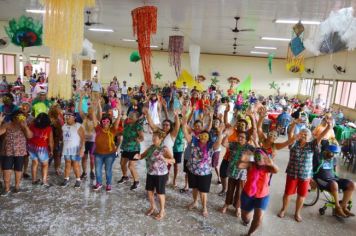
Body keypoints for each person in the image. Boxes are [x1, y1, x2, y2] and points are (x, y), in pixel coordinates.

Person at [278, 118, 333, 222]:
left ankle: (297, 213)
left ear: (309, 138)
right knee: (287, 193)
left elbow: (320, 137)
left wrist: (328, 127)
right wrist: (294, 124)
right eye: (302, 133)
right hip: (292, 173)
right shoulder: (293, 143)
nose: (303, 135)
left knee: (301, 195)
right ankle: (283, 209)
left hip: (305, 175)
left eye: (306, 134)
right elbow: (290, 133)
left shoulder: (312, 145)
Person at [182, 118, 224, 217]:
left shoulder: (211, 146)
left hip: (205, 173)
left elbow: (218, 143)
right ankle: (195, 202)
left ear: (208, 138)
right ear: (199, 136)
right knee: (194, 189)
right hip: (192, 170)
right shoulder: (194, 141)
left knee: (203, 192)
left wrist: (220, 132)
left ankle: (204, 207)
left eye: (206, 136)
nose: (203, 137)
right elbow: (186, 135)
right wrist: (184, 124)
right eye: (202, 135)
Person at [134, 129, 175, 220]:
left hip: (160, 174)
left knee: (160, 193)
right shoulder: (151, 147)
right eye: (153, 136)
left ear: (161, 138)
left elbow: (173, 160)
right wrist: (138, 156)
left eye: (155, 137)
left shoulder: (164, 149)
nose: (153, 138)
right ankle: (153, 207)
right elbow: (143, 155)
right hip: (150, 173)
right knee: (149, 191)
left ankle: (162, 210)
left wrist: (166, 160)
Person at [238, 148, 279, 236]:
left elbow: (276, 170)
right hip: (247, 194)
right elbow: (239, 165)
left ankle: (249, 234)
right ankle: (246, 220)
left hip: (262, 195)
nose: (259, 159)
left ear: (265, 157)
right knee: (244, 217)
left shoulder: (268, 167)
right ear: (254, 157)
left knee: (258, 219)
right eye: (257, 157)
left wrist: (272, 164)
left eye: (261, 157)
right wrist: (242, 158)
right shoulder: (251, 164)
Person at [313, 141, 355, 217]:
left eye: (335, 153)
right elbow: (311, 170)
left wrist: (338, 179)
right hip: (321, 179)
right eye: (332, 153)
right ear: (326, 151)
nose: (333, 155)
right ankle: (337, 208)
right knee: (334, 184)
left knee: (352, 184)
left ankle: (343, 207)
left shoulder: (334, 159)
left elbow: (334, 171)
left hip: (333, 179)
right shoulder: (318, 157)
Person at [220, 131, 254, 218]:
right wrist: (226, 135)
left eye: (242, 137)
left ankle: (237, 207)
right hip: (232, 171)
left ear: (246, 140)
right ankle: (226, 204)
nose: (240, 138)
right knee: (230, 189)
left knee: (239, 191)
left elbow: (258, 153)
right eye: (239, 136)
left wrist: (255, 141)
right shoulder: (234, 144)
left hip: (242, 173)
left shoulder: (249, 147)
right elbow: (224, 143)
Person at [0, 111, 33, 195]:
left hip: (20, 152)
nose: (20, 118)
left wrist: (25, 127)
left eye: (22, 116)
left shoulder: (24, 126)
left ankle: (17, 187)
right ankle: (7, 188)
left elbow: (30, 136)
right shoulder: (7, 125)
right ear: (14, 118)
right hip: (8, 152)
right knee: (6, 170)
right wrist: (0, 122)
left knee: (18, 170)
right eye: (18, 116)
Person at [93, 110, 121, 192]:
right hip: (98, 154)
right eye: (103, 121)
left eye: (107, 121)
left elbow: (117, 122)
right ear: (101, 122)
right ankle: (99, 183)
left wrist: (119, 113)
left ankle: (108, 184)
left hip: (110, 154)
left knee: (108, 169)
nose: (105, 122)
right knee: (97, 169)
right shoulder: (98, 129)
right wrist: (93, 109)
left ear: (110, 122)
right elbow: (94, 119)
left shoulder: (113, 130)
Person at [117, 111, 144, 190]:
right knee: (122, 163)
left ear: (136, 118)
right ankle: (125, 176)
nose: (130, 117)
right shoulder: (126, 124)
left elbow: (142, 137)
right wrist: (117, 133)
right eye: (130, 116)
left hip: (134, 148)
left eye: (132, 116)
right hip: (125, 147)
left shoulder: (138, 126)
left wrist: (138, 139)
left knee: (131, 166)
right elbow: (123, 132)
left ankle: (136, 181)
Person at [28, 113, 53, 186]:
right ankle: (44, 182)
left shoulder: (32, 125)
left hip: (31, 146)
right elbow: (50, 141)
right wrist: (51, 150)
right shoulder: (48, 128)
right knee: (45, 164)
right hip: (41, 148)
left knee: (34, 163)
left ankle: (34, 180)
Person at [61, 111, 85, 188]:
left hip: (76, 149)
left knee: (75, 165)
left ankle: (78, 180)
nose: (67, 117)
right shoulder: (64, 126)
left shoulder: (78, 126)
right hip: (66, 149)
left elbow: (83, 139)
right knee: (67, 164)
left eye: (69, 116)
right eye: (66, 116)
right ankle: (66, 179)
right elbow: (63, 138)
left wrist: (82, 149)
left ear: (74, 118)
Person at [78, 93, 97, 180]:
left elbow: (98, 110)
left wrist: (97, 103)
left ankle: (92, 171)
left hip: (93, 141)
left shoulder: (95, 119)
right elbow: (80, 109)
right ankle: (84, 172)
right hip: (84, 141)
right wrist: (81, 100)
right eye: (89, 111)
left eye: (91, 111)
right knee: (84, 158)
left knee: (92, 158)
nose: (90, 113)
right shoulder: (84, 117)